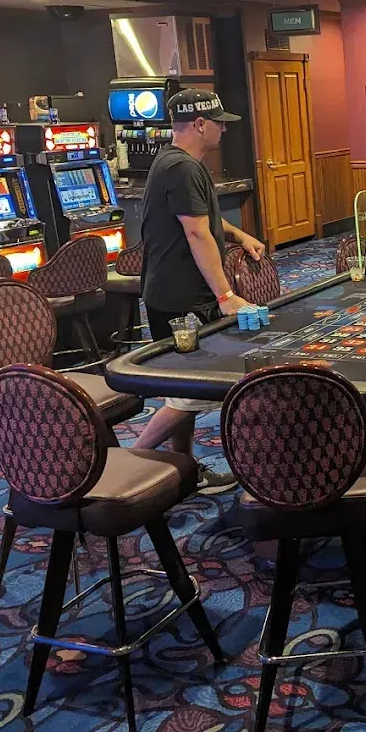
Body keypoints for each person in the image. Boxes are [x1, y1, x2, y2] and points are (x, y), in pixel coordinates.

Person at [131, 87, 267, 489]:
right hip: (180, 298)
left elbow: (205, 221)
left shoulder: (178, 163)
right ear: (200, 124)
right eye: (219, 124)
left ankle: (183, 469)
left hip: (174, 294)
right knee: (190, 394)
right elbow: (195, 233)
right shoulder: (182, 168)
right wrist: (226, 297)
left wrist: (239, 235)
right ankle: (131, 466)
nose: (223, 131)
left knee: (182, 389)